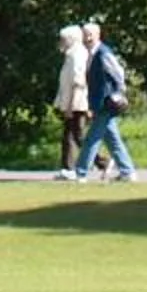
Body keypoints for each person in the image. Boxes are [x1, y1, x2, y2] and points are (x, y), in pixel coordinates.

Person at [71, 19, 137, 182]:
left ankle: (80, 172)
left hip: (106, 103)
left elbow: (118, 72)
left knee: (92, 139)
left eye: (90, 35)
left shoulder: (103, 53)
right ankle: (128, 172)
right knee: (113, 139)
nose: (87, 38)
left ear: (98, 35)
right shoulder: (92, 54)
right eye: (85, 35)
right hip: (99, 103)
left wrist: (119, 92)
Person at [52, 24, 91, 178]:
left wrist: (71, 105)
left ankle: (101, 162)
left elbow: (78, 81)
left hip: (77, 103)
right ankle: (68, 168)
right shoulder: (70, 54)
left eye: (63, 39)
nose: (61, 42)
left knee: (77, 135)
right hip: (71, 102)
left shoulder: (77, 55)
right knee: (70, 136)